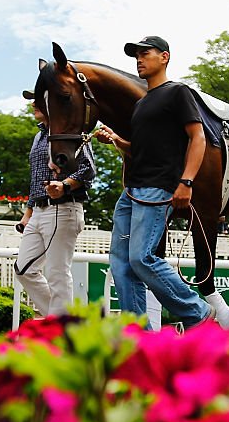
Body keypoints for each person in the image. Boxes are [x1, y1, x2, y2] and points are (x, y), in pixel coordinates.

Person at [93, 35, 214, 330]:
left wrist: (186, 182)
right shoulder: (142, 103)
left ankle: (198, 312)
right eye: (136, 55)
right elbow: (139, 149)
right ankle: (140, 336)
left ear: (165, 57)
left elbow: (198, 137)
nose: (139, 59)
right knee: (120, 265)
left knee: (142, 258)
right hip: (131, 192)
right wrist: (117, 141)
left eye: (145, 53)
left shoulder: (178, 92)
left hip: (157, 188)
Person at [15, 90, 94, 317]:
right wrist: (28, 212)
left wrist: (65, 185)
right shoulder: (38, 135)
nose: (33, 104)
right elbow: (35, 177)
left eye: (38, 100)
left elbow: (88, 169)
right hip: (38, 211)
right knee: (23, 269)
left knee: (57, 273)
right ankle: (63, 320)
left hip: (64, 208)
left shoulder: (72, 129)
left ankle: (60, 331)